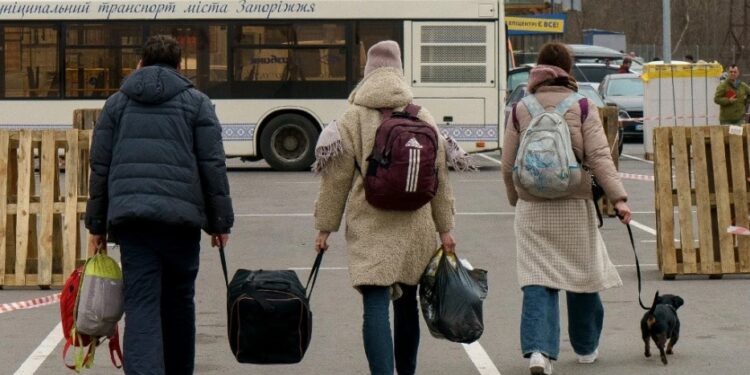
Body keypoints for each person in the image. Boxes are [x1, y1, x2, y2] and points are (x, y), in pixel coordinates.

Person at [312, 40, 464, 375]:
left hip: (370, 221)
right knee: (407, 303)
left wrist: (325, 227)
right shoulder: (421, 114)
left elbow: (335, 180)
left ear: (367, 74)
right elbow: (439, 176)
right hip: (416, 225)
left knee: (375, 303)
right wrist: (445, 228)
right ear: (399, 72)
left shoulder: (352, 117)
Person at [85, 35, 234, 375]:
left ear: (140, 63)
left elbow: (101, 167)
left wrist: (96, 227)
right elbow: (212, 164)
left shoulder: (116, 104)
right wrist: (220, 223)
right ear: (179, 65)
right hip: (181, 223)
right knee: (179, 302)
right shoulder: (197, 103)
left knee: (141, 306)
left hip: (134, 224)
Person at [501, 42, 632, 375]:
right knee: (583, 277)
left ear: (539, 71)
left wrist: (516, 198)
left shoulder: (521, 107)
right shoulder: (582, 106)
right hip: (574, 203)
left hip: (532, 208)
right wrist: (619, 199)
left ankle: (538, 352)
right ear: (568, 71)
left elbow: (507, 164)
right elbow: (600, 158)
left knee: (536, 279)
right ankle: (586, 347)